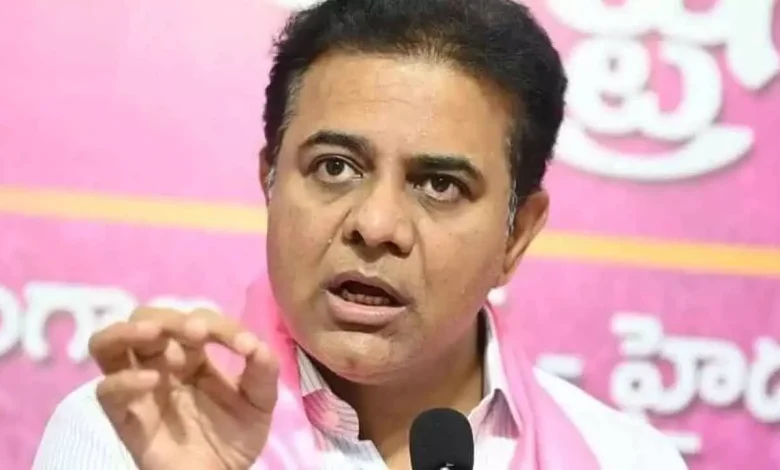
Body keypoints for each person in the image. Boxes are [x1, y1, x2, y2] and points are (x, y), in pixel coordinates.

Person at [33, 0, 689, 469]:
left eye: (439, 185)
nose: (375, 226)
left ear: (516, 235)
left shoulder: (628, 459)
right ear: (269, 180)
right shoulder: (132, 436)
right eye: (335, 168)